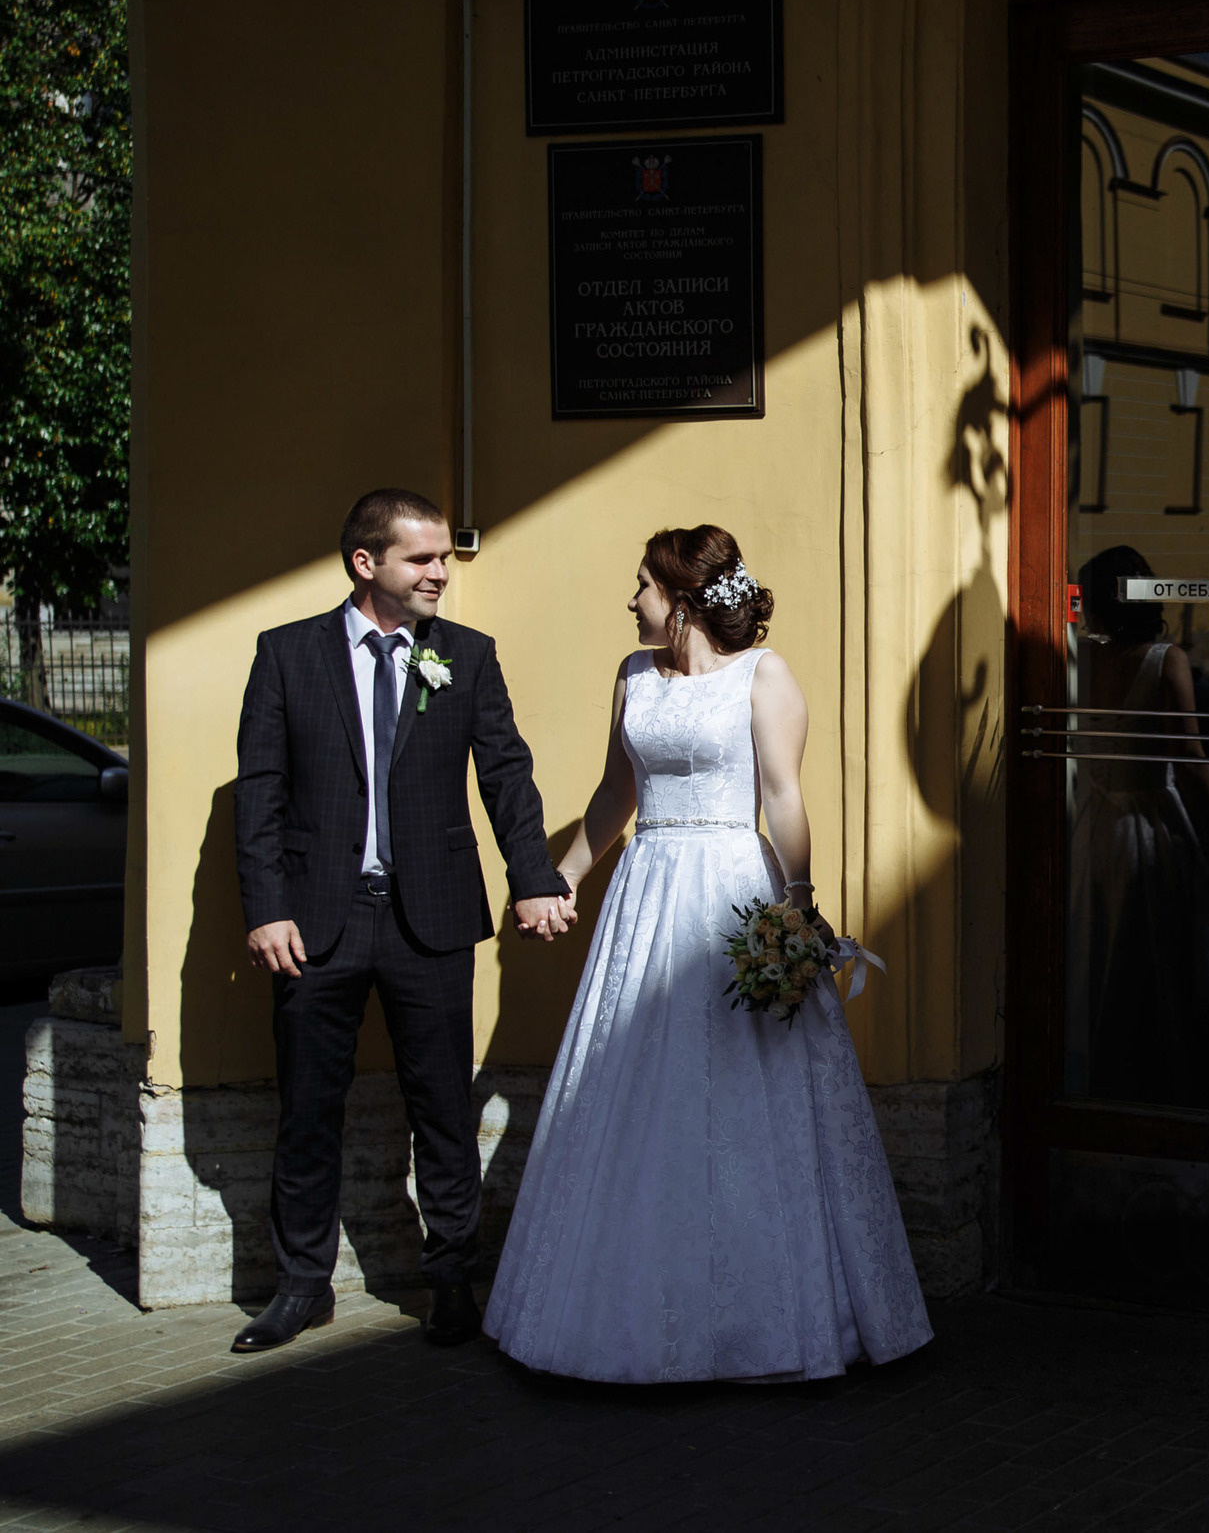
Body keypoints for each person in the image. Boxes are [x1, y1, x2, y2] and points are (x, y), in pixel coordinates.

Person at [483, 525, 929, 1382]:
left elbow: (783, 795)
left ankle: (770, 1318)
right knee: (636, 1086)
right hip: (646, 890)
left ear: (682, 601)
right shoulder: (632, 674)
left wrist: (798, 905)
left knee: (751, 1089)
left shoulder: (765, 675)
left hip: (731, 885)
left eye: (643, 585)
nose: (631, 600)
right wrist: (564, 877)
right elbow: (616, 791)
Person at [231, 489, 575, 1355]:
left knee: (443, 1107)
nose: (439, 573)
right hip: (317, 920)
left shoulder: (466, 654)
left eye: (444, 558)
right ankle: (301, 1285)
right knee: (309, 1109)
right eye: (422, 558)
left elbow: (506, 773)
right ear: (366, 562)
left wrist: (533, 878)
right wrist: (266, 908)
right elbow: (260, 793)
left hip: (433, 917)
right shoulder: (286, 654)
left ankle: (452, 1277)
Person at [1069, 546, 1209, 1115]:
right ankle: (1167, 1090)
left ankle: (1100, 1086)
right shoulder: (1165, 660)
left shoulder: (1080, 658)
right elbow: (1190, 757)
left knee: (1097, 955)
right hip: (1150, 831)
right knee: (1167, 965)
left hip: (1091, 832)